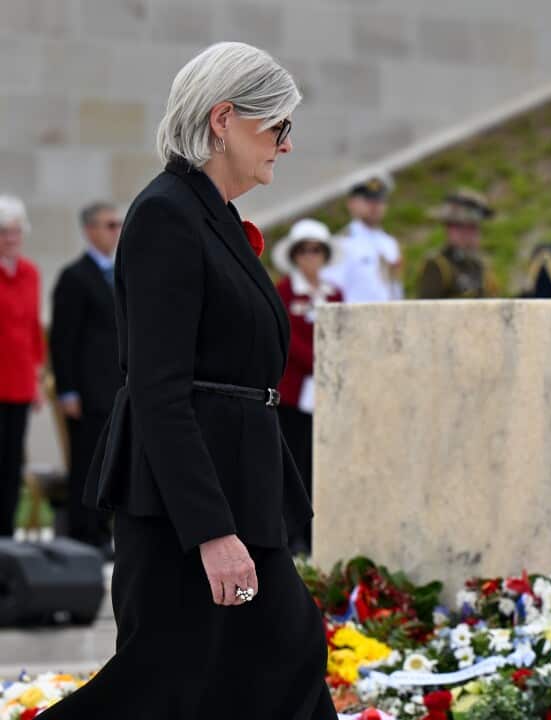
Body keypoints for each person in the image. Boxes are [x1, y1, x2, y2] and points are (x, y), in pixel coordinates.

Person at [40, 42, 335, 720]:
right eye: (278, 126)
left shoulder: (212, 215)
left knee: (286, 656)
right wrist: (211, 531)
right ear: (225, 118)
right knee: (159, 685)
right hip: (185, 502)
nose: (286, 146)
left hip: (238, 483)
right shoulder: (167, 214)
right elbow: (158, 386)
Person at [50, 201, 124, 552]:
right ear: (90, 229)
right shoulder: (74, 277)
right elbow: (62, 339)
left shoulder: (119, 273)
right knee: (87, 463)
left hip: (115, 388)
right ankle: (84, 533)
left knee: (112, 462)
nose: (115, 231)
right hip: (87, 390)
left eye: (118, 224)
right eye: (109, 225)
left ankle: (101, 530)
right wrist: (67, 390)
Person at [271, 219, 343, 556]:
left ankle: (319, 532)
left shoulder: (334, 293)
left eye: (317, 250)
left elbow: (343, 331)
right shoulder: (285, 291)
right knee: (294, 462)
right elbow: (288, 338)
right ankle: (294, 533)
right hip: (297, 391)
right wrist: (320, 359)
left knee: (323, 463)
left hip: (327, 391)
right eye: (304, 251)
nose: (311, 257)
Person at [0, 195, 44, 539]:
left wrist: (37, 379)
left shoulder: (30, 273)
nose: (11, 239)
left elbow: (32, 329)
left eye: (15, 232)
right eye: (4, 232)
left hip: (17, 382)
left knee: (12, 463)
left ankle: (6, 533)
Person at [322, 174, 402, 303]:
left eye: (380, 200)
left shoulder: (390, 243)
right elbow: (332, 290)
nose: (375, 206)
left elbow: (395, 289)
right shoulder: (341, 243)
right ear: (351, 204)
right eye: (368, 200)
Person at [417, 189, 500, 299]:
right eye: (458, 226)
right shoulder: (438, 265)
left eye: (472, 227)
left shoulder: (480, 265)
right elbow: (428, 310)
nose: (467, 234)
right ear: (448, 229)